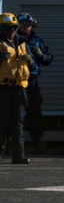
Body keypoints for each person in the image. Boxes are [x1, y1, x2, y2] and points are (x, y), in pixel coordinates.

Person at [16, 13, 53, 153]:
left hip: (32, 80)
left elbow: (48, 59)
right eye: (23, 24)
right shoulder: (12, 40)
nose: (25, 27)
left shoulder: (38, 41)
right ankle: (11, 143)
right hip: (17, 80)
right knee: (15, 112)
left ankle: (35, 142)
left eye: (28, 24)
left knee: (35, 111)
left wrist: (40, 55)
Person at [0, 12, 32, 164]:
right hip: (2, 87)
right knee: (2, 121)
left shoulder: (22, 42)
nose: (11, 31)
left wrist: (31, 60)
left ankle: (19, 155)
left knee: (18, 122)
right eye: (7, 28)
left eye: (13, 28)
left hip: (19, 87)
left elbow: (31, 64)